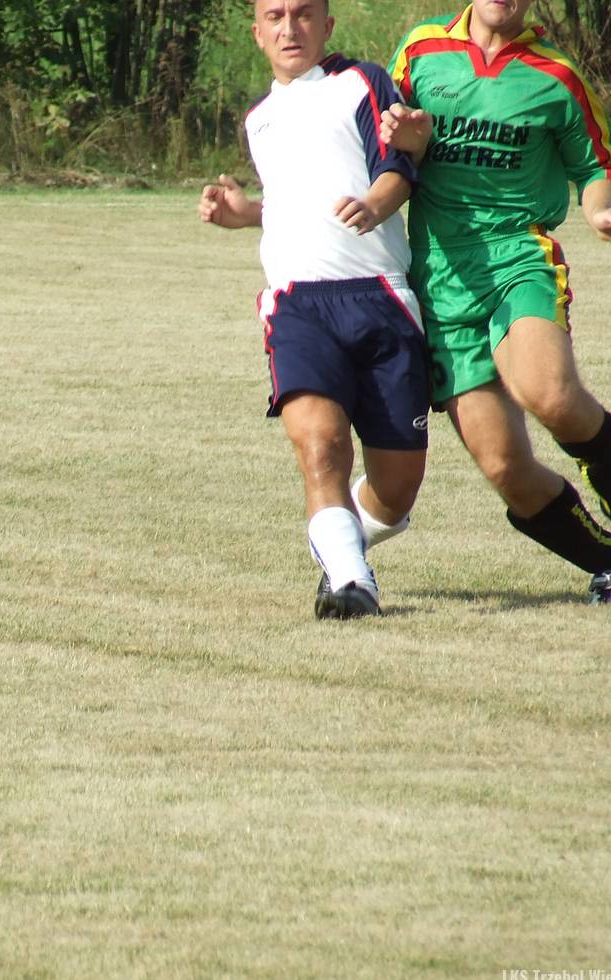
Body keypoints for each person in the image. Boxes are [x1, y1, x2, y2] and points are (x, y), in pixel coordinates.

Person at [381, 0, 611, 604]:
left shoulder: (557, 76)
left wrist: (602, 214)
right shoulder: (419, 52)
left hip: (517, 257)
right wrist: (409, 143)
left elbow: (597, 166)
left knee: (548, 393)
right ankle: (610, 562)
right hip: (440, 280)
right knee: (504, 467)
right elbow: (385, 146)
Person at [199, 0, 430, 620]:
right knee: (321, 446)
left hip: (380, 295)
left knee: (397, 490)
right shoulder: (259, 119)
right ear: (257, 33)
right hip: (298, 303)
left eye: (303, 15)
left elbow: (399, 165)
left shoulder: (362, 82)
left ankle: (341, 539)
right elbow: (295, 199)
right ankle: (352, 581)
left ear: (326, 26)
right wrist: (247, 213)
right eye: (274, 16)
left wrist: (376, 204)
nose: (289, 28)